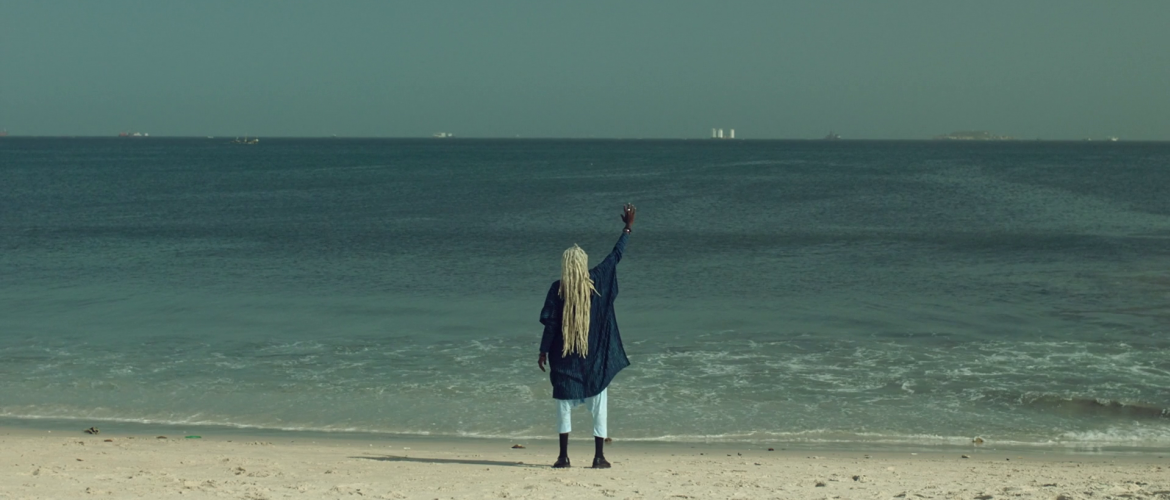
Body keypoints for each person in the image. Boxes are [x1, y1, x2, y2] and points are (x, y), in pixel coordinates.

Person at [538, 203, 636, 469]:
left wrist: (543, 351)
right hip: (592, 359)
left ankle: (563, 457)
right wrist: (627, 228)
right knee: (599, 403)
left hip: (564, 359)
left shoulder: (557, 289)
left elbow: (550, 325)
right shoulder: (596, 282)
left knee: (563, 405)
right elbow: (615, 257)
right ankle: (598, 456)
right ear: (581, 264)